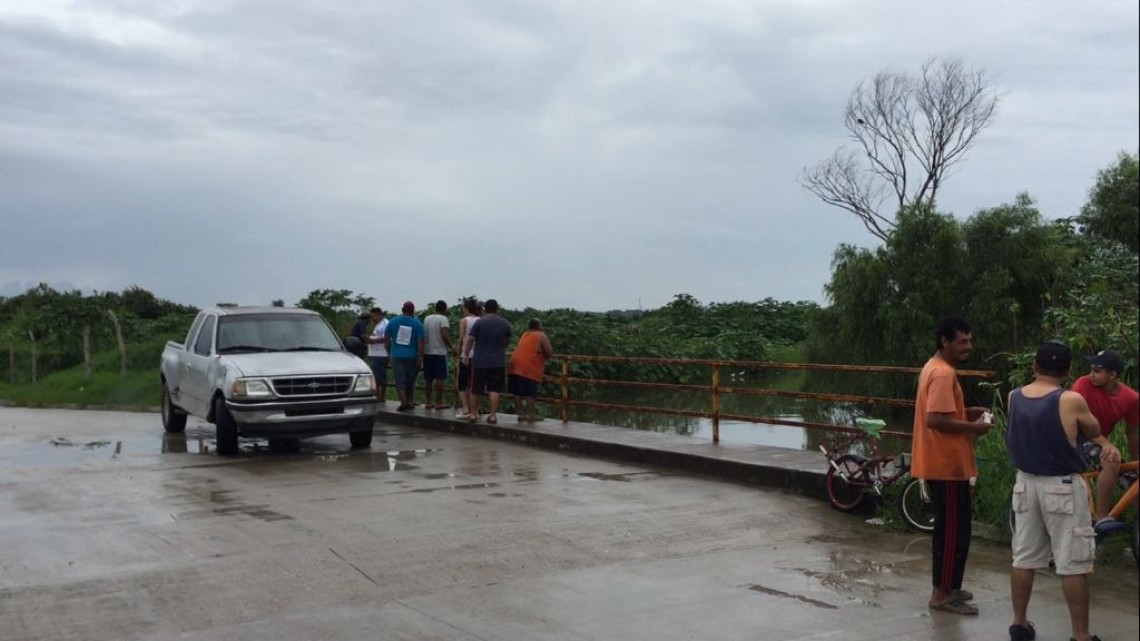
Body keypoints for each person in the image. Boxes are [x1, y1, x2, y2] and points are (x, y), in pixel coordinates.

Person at [1006, 341, 1116, 641]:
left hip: (1025, 484)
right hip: (1062, 487)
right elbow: (1093, 430)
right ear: (1067, 370)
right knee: (1073, 564)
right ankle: (1081, 635)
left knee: (1024, 557)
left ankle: (1019, 624)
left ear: (1034, 366)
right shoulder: (1070, 399)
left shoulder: (1014, 396)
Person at [910, 316, 992, 615]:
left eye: (969, 341)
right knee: (952, 532)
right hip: (945, 465)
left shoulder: (935, 367)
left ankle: (950, 586)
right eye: (962, 341)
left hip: (944, 462)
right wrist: (975, 428)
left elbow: (942, 412)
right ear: (944, 341)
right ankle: (941, 594)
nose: (968, 346)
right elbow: (935, 420)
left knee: (956, 529)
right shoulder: (943, 374)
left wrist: (966, 411)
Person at [1070, 349, 1137, 535]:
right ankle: (1101, 517)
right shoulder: (1083, 384)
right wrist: (1106, 444)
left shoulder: (1130, 398)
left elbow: (1133, 433)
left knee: (1134, 480)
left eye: (1097, 371)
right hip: (1074, 438)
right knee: (1111, 459)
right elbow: (1076, 419)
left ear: (1112, 374)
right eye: (1091, 370)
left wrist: (1135, 462)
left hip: (1098, 442)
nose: (1091, 375)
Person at [463, 298, 510, 424]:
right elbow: (506, 342)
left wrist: (466, 355)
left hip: (480, 361)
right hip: (497, 361)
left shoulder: (479, 323)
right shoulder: (505, 323)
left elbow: (470, 340)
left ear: (485, 309)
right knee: (494, 389)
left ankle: (473, 414)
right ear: (497, 309)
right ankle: (493, 415)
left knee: (476, 389)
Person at [507, 318, 553, 422]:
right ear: (538, 326)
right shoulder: (541, 335)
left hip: (514, 364)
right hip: (528, 366)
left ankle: (521, 414)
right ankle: (530, 414)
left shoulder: (525, 334)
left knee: (517, 391)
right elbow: (549, 351)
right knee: (530, 391)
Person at [384, 301, 425, 411]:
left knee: (399, 380)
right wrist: (420, 356)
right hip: (412, 356)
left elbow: (386, 340)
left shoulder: (392, 322)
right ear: (413, 311)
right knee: (410, 380)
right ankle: (410, 401)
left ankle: (404, 402)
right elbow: (421, 342)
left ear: (402, 310)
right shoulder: (417, 323)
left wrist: (389, 352)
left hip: (396, 355)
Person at [422, 300, 453, 410]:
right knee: (440, 378)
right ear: (444, 309)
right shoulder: (443, 319)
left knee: (428, 379)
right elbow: (444, 335)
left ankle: (428, 402)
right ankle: (439, 402)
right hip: (439, 352)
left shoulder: (427, 318)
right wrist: (452, 347)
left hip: (427, 351)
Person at [455, 298, 481, 419]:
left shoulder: (464, 321)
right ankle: (475, 409)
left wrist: (459, 354)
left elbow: (461, 339)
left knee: (461, 382)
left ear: (466, 308)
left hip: (466, 355)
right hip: (478, 356)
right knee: (475, 384)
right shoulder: (481, 320)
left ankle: (466, 408)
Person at [363, 307, 389, 403]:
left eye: (373, 316)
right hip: (374, 353)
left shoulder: (385, 324)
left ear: (379, 315)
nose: (372, 319)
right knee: (375, 376)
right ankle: (377, 394)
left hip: (380, 354)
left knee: (380, 376)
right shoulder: (378, 325)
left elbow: (385, 337)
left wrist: (372, 340)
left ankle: (382, 395)